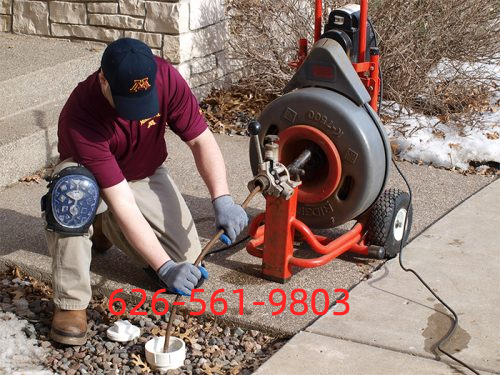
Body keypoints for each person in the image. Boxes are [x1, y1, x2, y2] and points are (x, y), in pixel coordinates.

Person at [41, 38, 248, 345]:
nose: (136, 113)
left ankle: (102, 225)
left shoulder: (166, 78)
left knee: (189, 263)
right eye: (127, 101)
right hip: (92, 181)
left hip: (143, 175)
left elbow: (201, 141)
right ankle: (71, 304)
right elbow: (122, 200)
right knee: (76, 195)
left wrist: (223, 198)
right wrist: (163, 267)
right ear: (103, 79)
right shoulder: (81, 115)